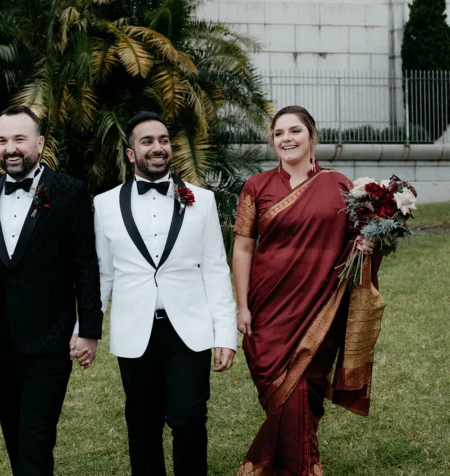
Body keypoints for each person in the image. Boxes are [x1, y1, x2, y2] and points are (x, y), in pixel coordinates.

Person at [233, 106, 383, 475]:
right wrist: (242, 306)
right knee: (281, 394)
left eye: (295, 130)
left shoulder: (340, 186)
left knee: (302, 392)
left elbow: (358, 242)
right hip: (268, 308)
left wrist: (368, 244)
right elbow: (243, 248)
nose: (286, 139)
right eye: (279, 133)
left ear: (312, 135)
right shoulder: (256, 186)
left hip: (321, 309)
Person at [90, 111, 237, 475]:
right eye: (147, 141)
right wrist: (87, 329)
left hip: (188, 330)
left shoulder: (202, 200)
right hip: (134, 331)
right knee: (142, 426)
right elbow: (103, 274)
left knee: (189, 418)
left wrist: (225, 334)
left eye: (164, 140)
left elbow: (215, 268)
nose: (158, 147)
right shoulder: (104, 204)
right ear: (131, 153)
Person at [0, 105, 103, 475]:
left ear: (40, 143)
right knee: (14, 437)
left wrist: (89, 329)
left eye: (19, 139)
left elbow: (86, 265)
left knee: (36, 440)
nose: (10, 148)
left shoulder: (70, 191)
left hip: (50, 340)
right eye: (2, 141)